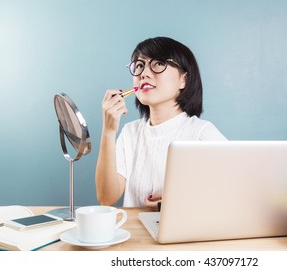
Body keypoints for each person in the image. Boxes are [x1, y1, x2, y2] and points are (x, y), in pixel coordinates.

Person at [95, 37, 227, 209]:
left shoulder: (201, 133)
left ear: (184, 80)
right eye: (139, 65)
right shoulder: (130, 133)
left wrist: (178, 199)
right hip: (135, 234)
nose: (144, 73)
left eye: (158, 63)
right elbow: (107, 198)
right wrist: (108, 132)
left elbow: (235, 189)